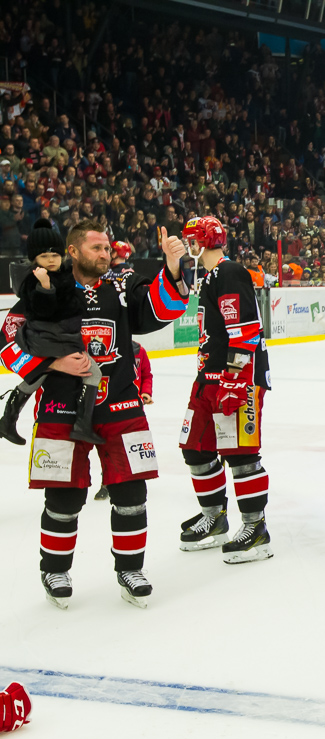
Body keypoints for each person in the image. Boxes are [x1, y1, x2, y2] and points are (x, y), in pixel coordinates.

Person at [0, 219, 190, 608]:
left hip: (120, 403)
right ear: (73, 251)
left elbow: (160, 310)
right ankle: (55, 570)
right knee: (64, 497)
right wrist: (51, 364)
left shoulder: (122, 285)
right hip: (60, 406)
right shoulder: (46, 286)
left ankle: (130, 569)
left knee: (132, 492)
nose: (106, 254)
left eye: (107, 248)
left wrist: (172, 269)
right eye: (97, 248)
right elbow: (8, 337)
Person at [176, 216, 274, 564]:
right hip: (210, 377)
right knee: (196, 448)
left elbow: (245, 331)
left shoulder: (229, 272)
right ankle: (214, 518)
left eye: (190, 239)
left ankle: (255, 528)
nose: (188, 246)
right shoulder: (208, 276)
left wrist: (234, 380)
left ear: (200, 241)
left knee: (241, 455)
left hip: (237, 378)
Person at [0, 219, 105, 447]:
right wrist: (52, 363)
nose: (51, 260)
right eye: (44, 256)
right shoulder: (34, 285)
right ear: (34, 259)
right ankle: (81, 424)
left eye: (55, 255)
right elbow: (7, 343)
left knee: (38, 376)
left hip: (61, 342)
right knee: (81, 372)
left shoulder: (68, 278)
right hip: (52, 347)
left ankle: (7, 421)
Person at [96, 341, 154, 502]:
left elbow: (146, 374)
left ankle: (132, 480)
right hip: (109, 407)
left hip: (133, 408)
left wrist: (146, 392)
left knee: (129, 448)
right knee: (108, 447)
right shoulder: (107, 350)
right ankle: (106, 482)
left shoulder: (139, 350)